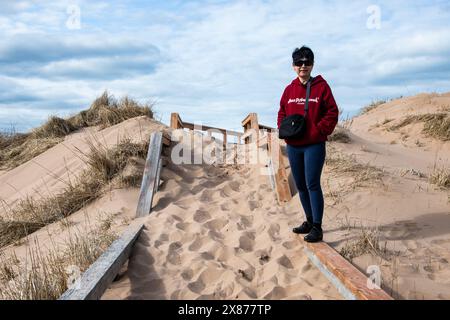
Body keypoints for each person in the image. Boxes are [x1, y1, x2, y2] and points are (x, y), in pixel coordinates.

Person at [277, 46, 339, 242]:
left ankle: (318, 227)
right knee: (301, 185)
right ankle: (309, 221)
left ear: (312, 64)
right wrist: (284, 130)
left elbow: (332, 112)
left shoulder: (322, 86)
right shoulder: (289, 90)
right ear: (293, 66)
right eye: (299, 62)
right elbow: (282, 113)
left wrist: (318, 131)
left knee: (312, 184)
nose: (303, 66)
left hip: (313, 145)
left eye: (307, 62)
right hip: (294, 146)